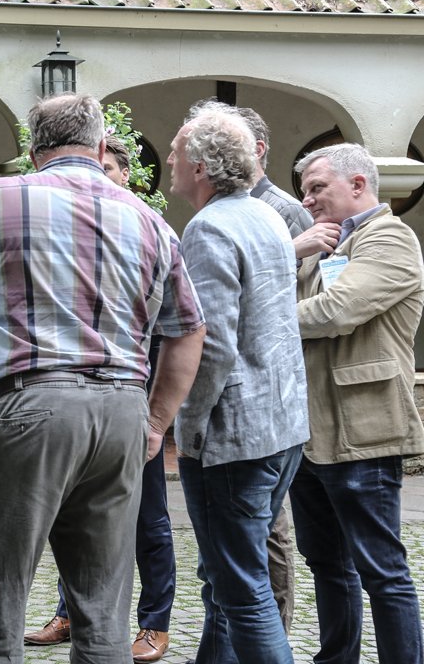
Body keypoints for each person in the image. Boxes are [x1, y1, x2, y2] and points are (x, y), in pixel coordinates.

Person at [0, 93, 206, 664]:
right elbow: (187, 330)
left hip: (33, 405)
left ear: (33, 152)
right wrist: (156, 421)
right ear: (102, 146)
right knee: (103, 611)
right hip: (123, 411)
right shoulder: (151, 221)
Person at [23, 137, 176, 663]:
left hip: (132, 402)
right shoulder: (67, 240)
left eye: (109, 169)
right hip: (72, 399)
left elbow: (180, 328)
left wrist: (157, 417)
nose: (99, 177)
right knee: (72, 518)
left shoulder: (148, 234)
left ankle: (155, 623)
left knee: (149, 518)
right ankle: (70, 612)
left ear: (126, 177)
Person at [168, 104, 309, 664]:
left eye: (177, 151)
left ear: (201, 166)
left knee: (241, 588)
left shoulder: (209, 228)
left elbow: (213, 346)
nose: (171, 159)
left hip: (235, 439)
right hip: (282, 427)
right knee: (229, 584)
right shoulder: (265, 215)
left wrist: (186, 425)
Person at [290, 142, 424, 664]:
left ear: (359, 184)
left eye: (317, 187)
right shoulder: (321, 243)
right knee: (325, 562)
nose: (308, 200)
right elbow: (305, 306)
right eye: (305, 191)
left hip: (364, 431)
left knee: (381, 569)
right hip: (309, 433)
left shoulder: (391, 238)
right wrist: (295, 252)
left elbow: (335, 311)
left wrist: (262, 313)